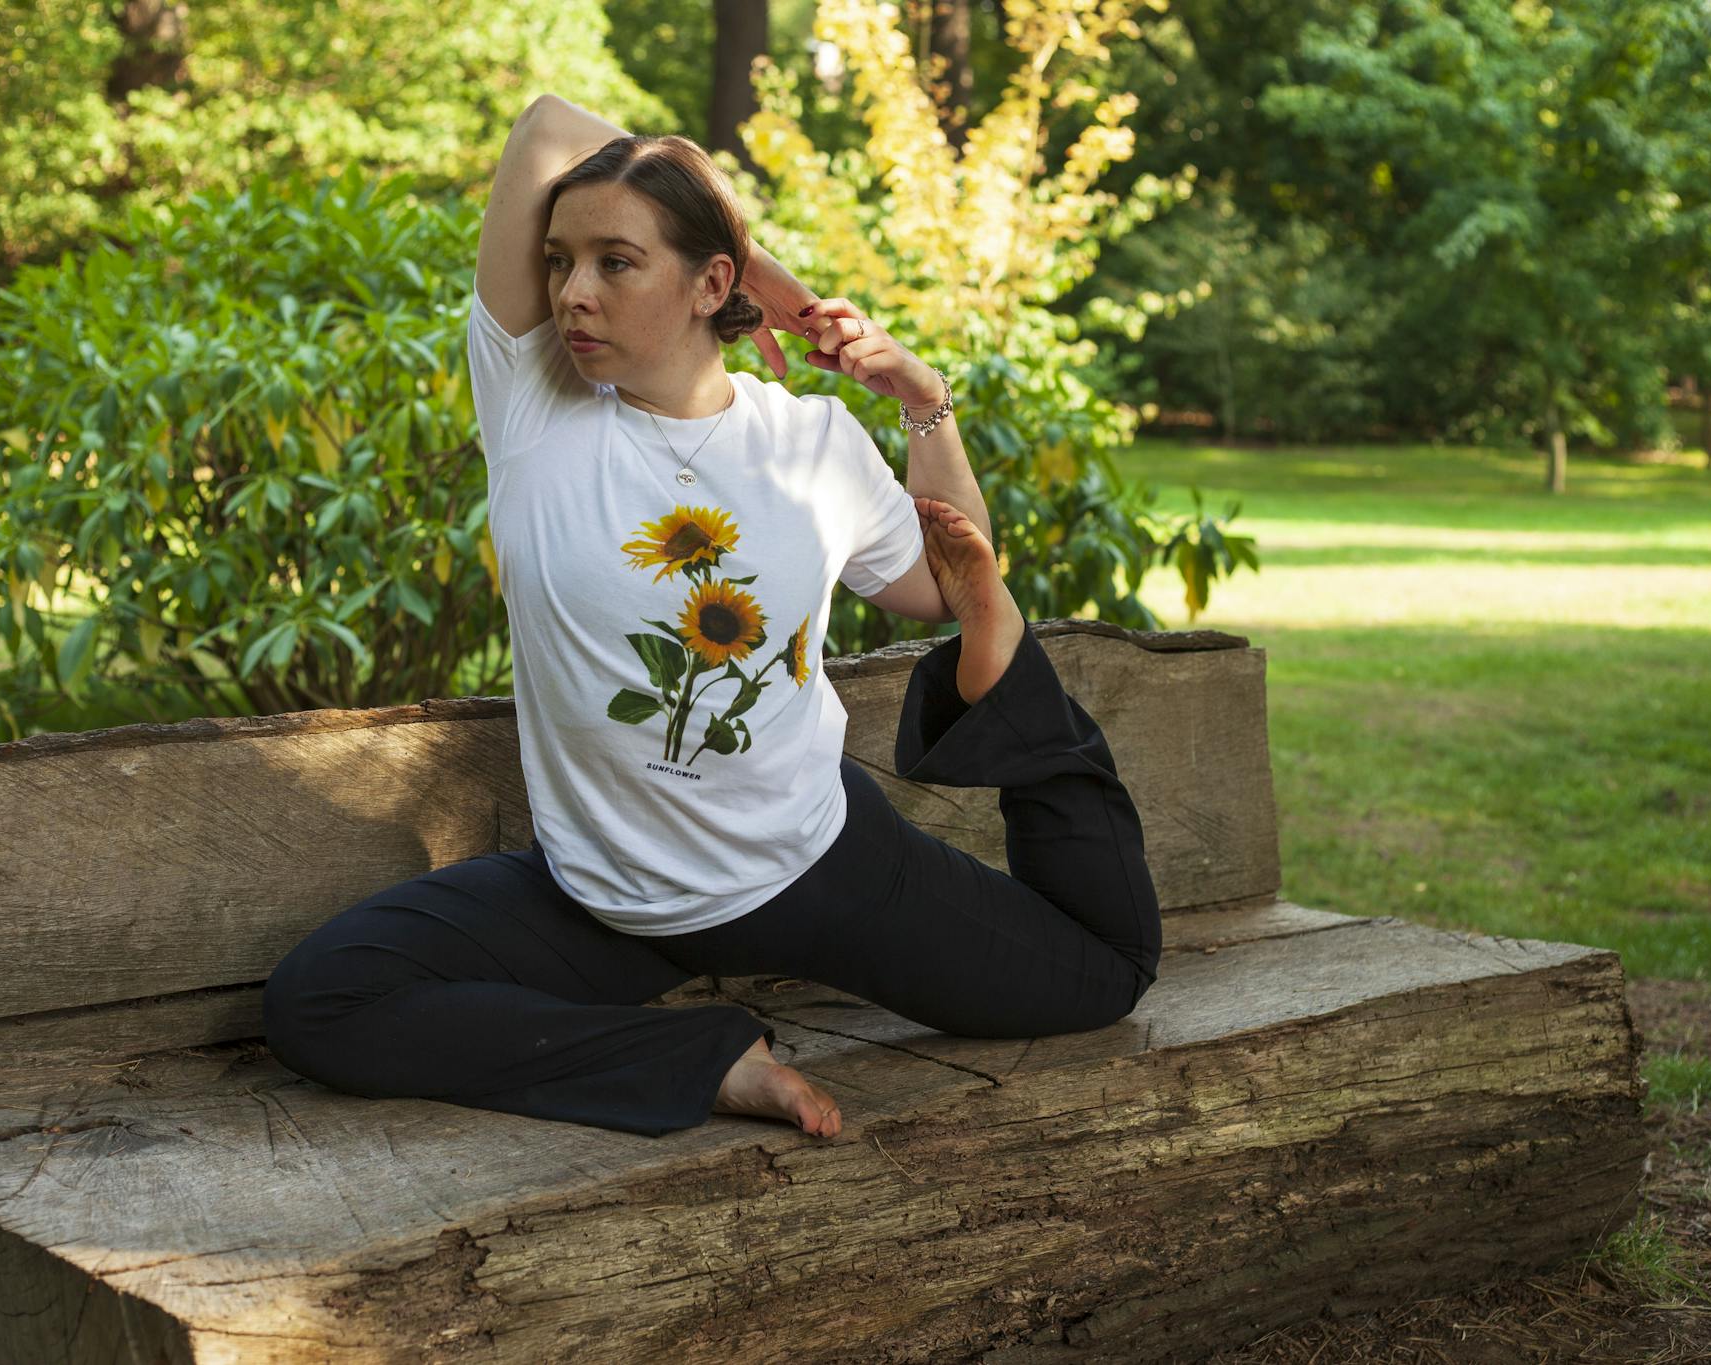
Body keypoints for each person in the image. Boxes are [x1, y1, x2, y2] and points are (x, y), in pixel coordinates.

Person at [261, 94, 1161, 1140]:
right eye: (559, 261)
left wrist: (925, 406)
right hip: (606, 903)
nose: (571, 293)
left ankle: (1024, 709)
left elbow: (943, 585)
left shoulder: (812, 442)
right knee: (320, 1002)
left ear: (705, 285)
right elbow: (549, 122)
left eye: (615, 262)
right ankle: (707, 1061)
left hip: (820, 868)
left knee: (1102, 974)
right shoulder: (534, 409)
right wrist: (777, 281)